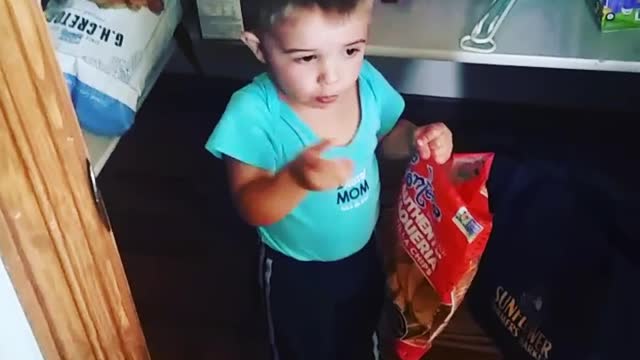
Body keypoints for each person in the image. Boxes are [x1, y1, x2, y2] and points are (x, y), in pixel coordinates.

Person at [205, 0, 453, 359]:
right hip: (296, 272)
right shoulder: (253, 112)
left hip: (364, 251)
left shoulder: (364, 81)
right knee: (302, 347)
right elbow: (250, 203)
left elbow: (387, 135)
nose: (332, 76)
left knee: (361, 330)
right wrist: (295, 180)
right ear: (260, 48)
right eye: (307, 58)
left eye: (351, 50)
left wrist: (417, 138)